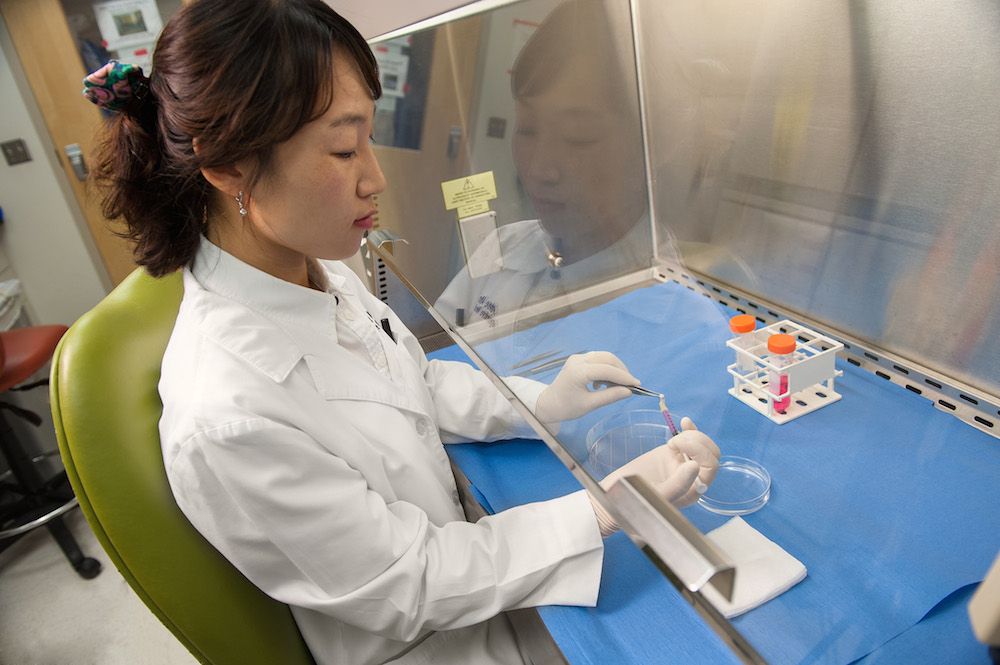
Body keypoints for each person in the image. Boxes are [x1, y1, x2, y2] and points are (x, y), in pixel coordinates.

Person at [85, 1, 719, 663]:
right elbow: (413, 579)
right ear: (228, 165)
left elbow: (408, 377)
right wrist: (604, 508)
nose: (375, 177)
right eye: (341, 147)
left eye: (367, 138)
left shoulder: (313, 266)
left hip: (477, 567)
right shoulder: (228, 416)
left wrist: (539, 404)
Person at [435, 0, 652, 330]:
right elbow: (434, 347)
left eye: (578, 135)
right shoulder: (504, 247)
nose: (538, 170)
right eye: (526, 129)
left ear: (649, 144)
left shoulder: (664, 305)